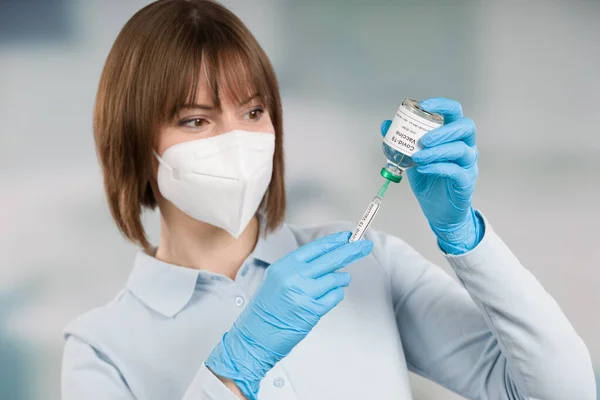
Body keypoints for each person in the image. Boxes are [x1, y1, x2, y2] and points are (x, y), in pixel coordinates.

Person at [61, 1, 596, 399]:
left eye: (252, 112)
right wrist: (233, 368)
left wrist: (465, 238)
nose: (237, 139)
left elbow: (563, 389)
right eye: (196, 119)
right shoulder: (100, 348)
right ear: (134, 144)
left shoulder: (369, 265)